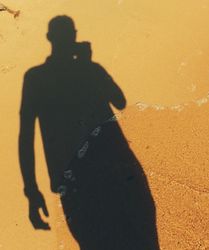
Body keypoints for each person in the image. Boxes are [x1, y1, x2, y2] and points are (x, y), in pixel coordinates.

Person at [19, 15, 159, 250]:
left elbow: (26, 138)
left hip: (83, 180)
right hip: (112, 175)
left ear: (50, 38)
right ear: (73, 37)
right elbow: (121, 101)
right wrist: (88, 66)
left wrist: (31, 191)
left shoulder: (37, 78)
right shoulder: (85, 70)